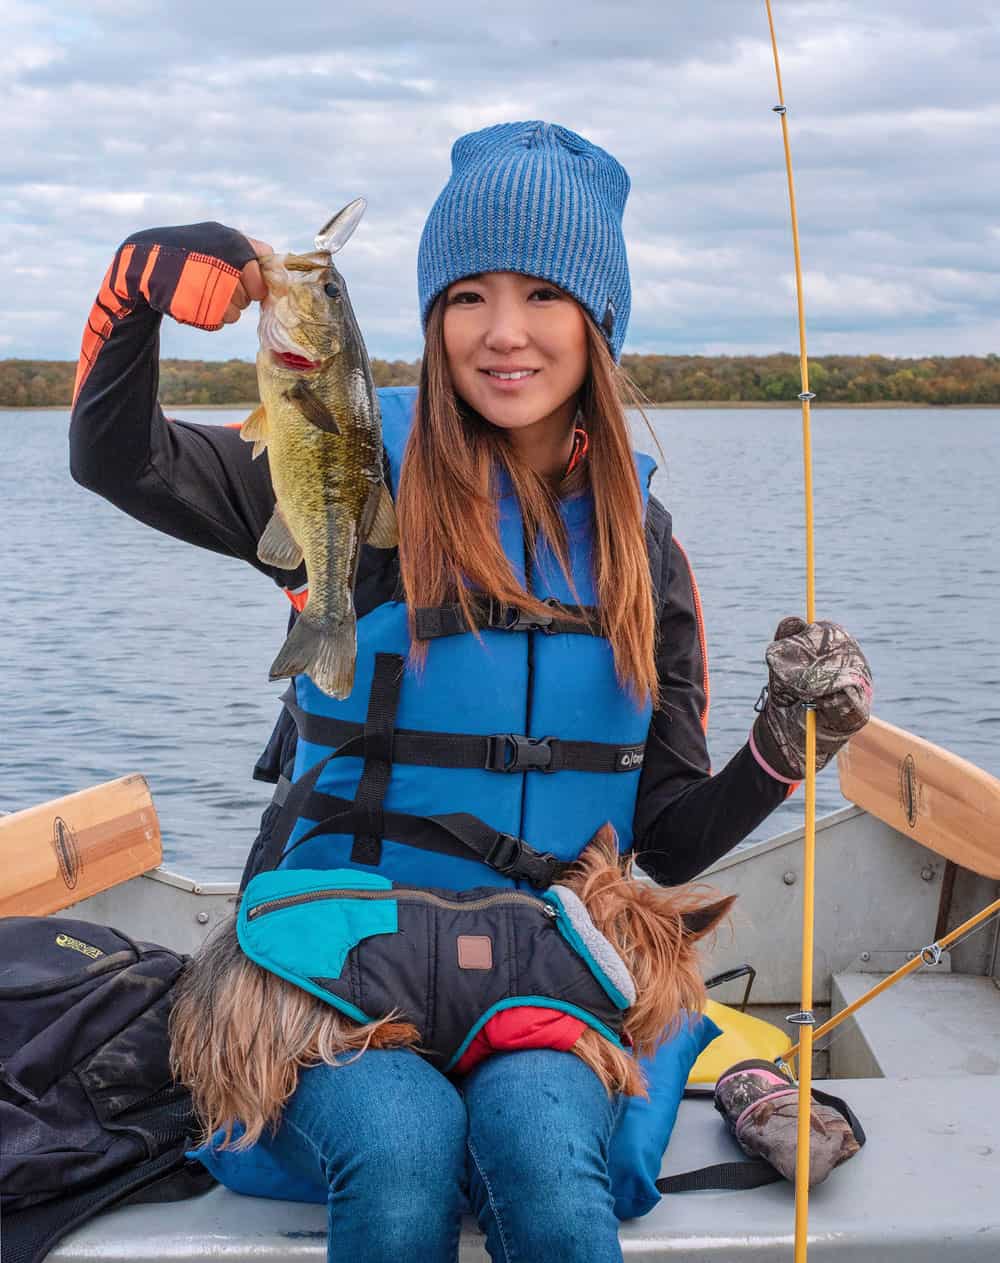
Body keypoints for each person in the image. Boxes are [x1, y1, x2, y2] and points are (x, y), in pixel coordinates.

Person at [69, 121, 871, 1263]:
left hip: (550, 969)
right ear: (431, 318)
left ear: (598, 322)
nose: (503, 334)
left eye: (544, 295)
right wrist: (133, 294)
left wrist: (787, 746)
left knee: (542, 1154)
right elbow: (118, 459)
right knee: (401, 1146)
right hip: (327, 975)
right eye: (466, 297)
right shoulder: (343, 467)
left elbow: (671, 840)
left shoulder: (646, 552)